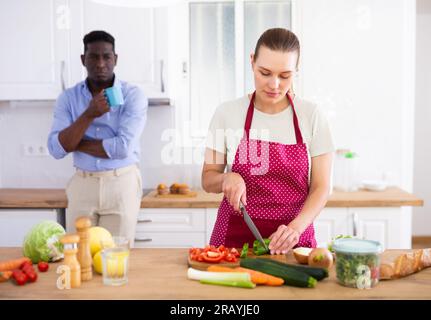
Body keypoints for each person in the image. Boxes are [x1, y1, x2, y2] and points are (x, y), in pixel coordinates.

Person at [202, 28, 334, 255]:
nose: (274, 84)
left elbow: (321, 187)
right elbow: (207, 178)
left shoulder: (312, 115)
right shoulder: (226, 113)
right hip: (233, 241)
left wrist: (295, 228)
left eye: (285, 76)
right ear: (252, 62)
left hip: (293, 241)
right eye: (265, 73)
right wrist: (226, 178)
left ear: (296, 71)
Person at [48, 30, 148, 245]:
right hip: (82, 184)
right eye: (93, 56)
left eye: (107, 56)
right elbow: (56, 149)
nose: (101, 63)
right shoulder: (68, 98)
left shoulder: (133, 95)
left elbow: (122, 148)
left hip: (121, 183)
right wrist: (89, 113)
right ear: (83, 60)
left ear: (116, 59)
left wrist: (75, 144)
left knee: (116, 256)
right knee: (78, 252)